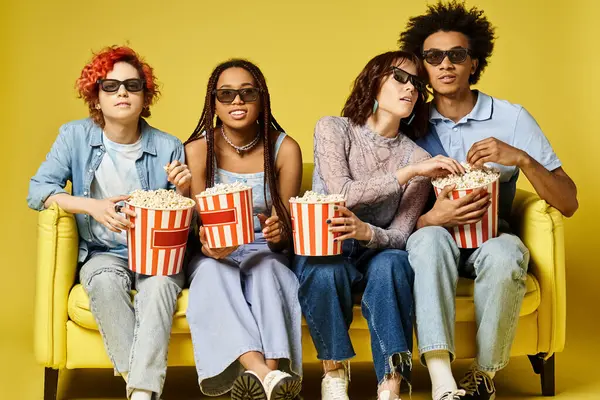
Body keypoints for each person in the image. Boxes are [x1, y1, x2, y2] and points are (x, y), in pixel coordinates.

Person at [399, 2, 578, 400]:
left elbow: (568, 202)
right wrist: (431, 219)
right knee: (427, 241)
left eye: (456, 55)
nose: (445, 65)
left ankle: (483, 374)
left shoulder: (511, 118)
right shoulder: (411, 123)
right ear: (422, 66)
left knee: (507, 252)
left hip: (492, 237)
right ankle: (441, 373)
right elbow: (390, 211)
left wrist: (520, 157)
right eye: (433, 57)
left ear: (474, 62)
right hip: (434, 236)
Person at [293, 50, 462, 400]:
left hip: (378, 250)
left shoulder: (420, 158)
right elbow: (341, 192)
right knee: (325, 271)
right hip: (327, 247)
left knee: (395, 265)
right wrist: (407, 174)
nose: (410, 89)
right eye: (399, 78)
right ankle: (334, 374)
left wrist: (366, 232)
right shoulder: (333, 128)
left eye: (417, 84)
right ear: (373, 81)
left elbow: (401, 235)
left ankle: (391, 383)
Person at [27, 46, 192, 400]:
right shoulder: (74, 137)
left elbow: (182, 225)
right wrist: (92, 206)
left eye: (132, 85)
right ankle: (142, 389)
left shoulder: (169, 146)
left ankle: (140, 393)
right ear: (95, 97)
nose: (122, 93)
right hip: (102, 252)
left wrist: (183, 190)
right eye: (110, 86)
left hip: (156, 254)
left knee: (160, 287)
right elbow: (37, 190)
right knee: (102, 283)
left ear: (145, 96)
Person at [184, 59, 304, 400]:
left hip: (264, 248)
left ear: (261, 98)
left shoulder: (284, 148)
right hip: (215, 250)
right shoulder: (197, 149)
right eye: (226, 94)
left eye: (247, 93)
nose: (237, 102)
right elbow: (194, 225)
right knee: (211, 274)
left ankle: (268, 377)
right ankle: (266, 374)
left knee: (268, 272)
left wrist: (280, 233)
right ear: (214, 103)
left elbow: (287, 225)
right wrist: (205, 243)